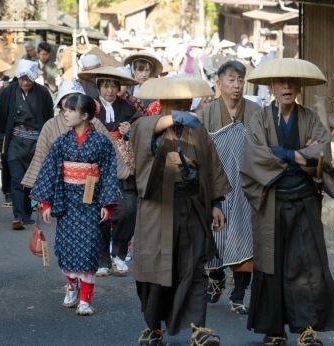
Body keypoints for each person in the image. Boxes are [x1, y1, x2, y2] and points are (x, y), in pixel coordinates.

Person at [240, 58, 334, 346]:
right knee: (271, 265)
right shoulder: (259, 119)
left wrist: (284, 153)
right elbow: (255, 157)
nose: (286, 87)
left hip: (304, 201)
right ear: (272, 87)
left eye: (292, 82)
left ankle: (307, 329)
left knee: (307, 265)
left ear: (299, 87)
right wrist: (301, 154)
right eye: (280, 83)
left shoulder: (310, 117)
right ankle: (274, 329)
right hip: (271, 200)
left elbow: (322, 154)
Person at [131, 76, 231, 346]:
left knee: (195, 267)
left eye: (187, 103)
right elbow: (144, 134)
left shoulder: (197, 129)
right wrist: (174, 118)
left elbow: (211, 168)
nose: (184, 107)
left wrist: (217, 203)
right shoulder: (145, 125)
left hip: (190, 206)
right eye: (177, 104)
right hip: (157, 209)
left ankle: (200, 328)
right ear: (163, 103)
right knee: (155, 269)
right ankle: (153, 328)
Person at [30, 94, 119, 317]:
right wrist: (46, 201)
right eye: (64, 110)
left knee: (88, 249)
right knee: (67, 247)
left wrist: (106, 204)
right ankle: (71, 286)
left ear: (85, 115)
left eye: (70, 110)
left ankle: (86, 299)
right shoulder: (62, 141)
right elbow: (50, 170)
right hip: (67, 200)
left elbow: (109, 173)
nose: (66, 114)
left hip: (91, 202)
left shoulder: (101, 142)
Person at [200, 60, 261, 315]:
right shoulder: (207, 113)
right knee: (214, 236)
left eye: (240, 80)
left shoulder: (257, 111)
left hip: (247, 184)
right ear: (219, 83)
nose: (236, 85)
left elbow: (263, 149)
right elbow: (201, 151)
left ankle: (239, 295)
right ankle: (215, 279)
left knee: (246, 238)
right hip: (217, 185)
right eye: (231, 80)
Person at [78, 65, 140, 277]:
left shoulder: (129, 107)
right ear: (98, 87)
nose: (110, 90)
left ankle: (119, 253)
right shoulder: (89, 106)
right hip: (97, 165)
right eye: (105, 86)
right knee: (98, 212)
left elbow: (141, 131)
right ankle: (102, 257)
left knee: (128, 210)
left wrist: (130, 132)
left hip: (124, 165)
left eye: (114, 86)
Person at [0, 59, 54, 230]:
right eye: (22, 79)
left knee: (31, 178)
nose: (25, 83)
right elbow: (1, 117)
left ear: (34, 78)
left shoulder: (43, 93)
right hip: (15, 141)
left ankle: (27, 212)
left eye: (28, 79)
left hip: (36, 141)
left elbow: (48, 117)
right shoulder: (7, 93)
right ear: (18, 78)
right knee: (17, 177)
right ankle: (18, 215)